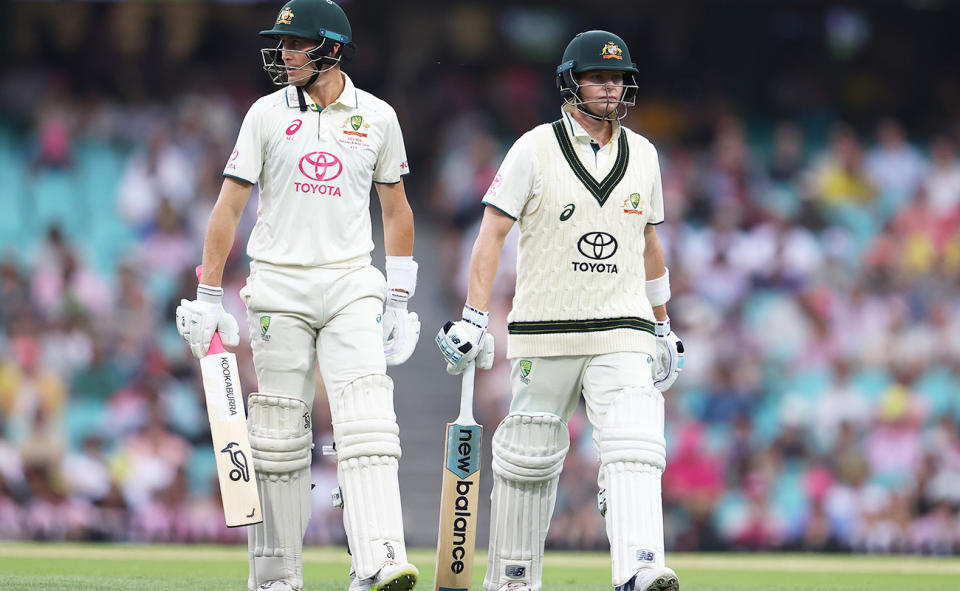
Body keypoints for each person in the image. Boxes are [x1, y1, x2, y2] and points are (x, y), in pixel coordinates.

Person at [175, 1, 420, 589]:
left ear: (332, 49)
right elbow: (229, 205)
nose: (283, 53)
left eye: (296, 43)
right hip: (278, 284)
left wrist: (399, 298)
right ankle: (276, 574)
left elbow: (397, 210)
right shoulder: (264, 114)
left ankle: (379, 558)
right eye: (280, 42)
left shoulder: (378, 117)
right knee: (279, 434)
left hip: (349, 283)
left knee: (367, 420)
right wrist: (208, 294)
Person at [436, 30, 685, 591]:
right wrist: (476, 315)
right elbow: (491, 233)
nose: (610, 88)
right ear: (571, 84)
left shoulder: (644, 155)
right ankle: (513, 577)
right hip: (543, 329)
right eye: (598, 77)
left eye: (618, 78)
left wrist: (664, 325)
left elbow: (649, 244)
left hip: (622, 327)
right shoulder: (532, 148)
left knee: (636, 440)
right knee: (528, 458)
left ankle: (640, 566)